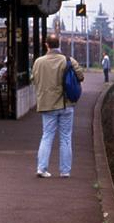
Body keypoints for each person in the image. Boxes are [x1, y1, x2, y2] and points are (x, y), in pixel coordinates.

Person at [32, 35, 84, 178]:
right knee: (66, 138)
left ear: (46, 45)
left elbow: (33, 79)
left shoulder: (39, 62)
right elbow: (81, 76)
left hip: (47, 105)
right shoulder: (68, 60)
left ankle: (41, 169)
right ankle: (65, 171)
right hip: (66, 104)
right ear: (58, 44)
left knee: (47, 136)